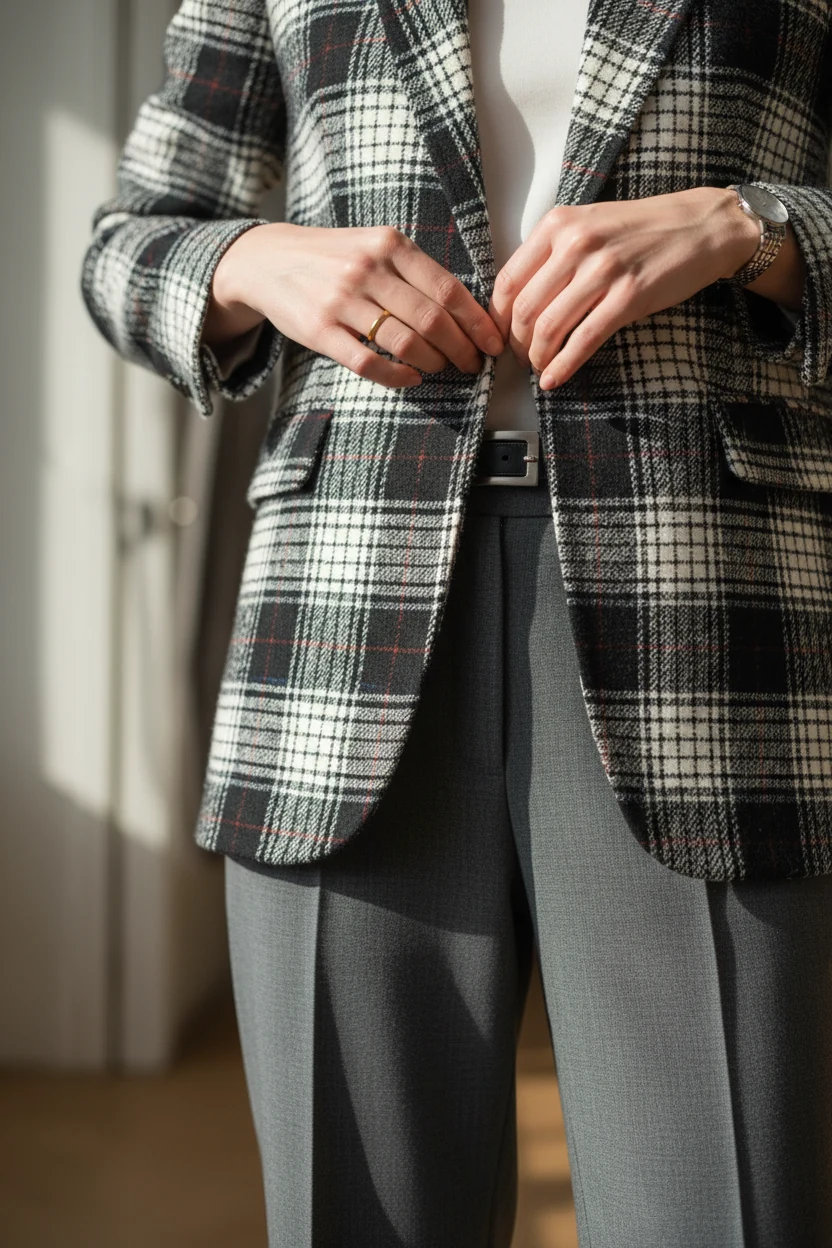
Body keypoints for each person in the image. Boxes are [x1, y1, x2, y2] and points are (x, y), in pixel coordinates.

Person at [82, 0, 832, 1243]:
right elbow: (127, 243)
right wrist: (254, 260)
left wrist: (748, 227)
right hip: (339, 626)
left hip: (712, 619)